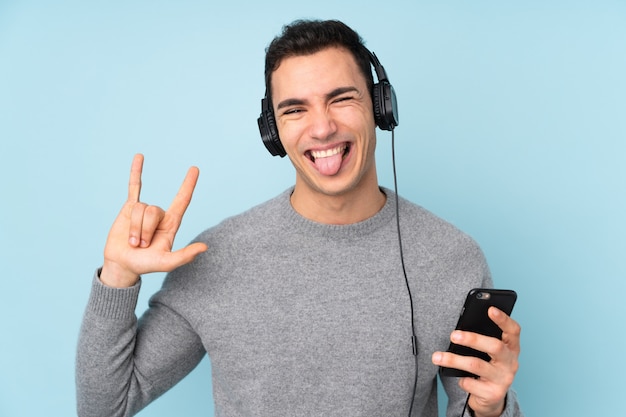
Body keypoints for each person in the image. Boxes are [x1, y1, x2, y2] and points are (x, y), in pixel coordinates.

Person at [76, 19, 523, 417]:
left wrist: (492, 408)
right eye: (295, 109)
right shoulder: (216, 257)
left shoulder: (451, 257)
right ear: (273, 131)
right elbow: (104, 407)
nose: (322, 127)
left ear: (380, 107)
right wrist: (117, 277)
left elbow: (475, 403)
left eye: (341, 99)